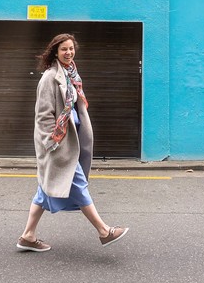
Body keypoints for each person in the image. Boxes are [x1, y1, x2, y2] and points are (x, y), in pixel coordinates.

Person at [17, 33, 129, 252]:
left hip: (73, 139)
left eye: (71, 48)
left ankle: (28, 235)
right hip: (60, 143)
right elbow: (43, 116)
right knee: (77, 182)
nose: (68, 53)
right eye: (63, 49)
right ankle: (104, 231)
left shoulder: (72, 74)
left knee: (44, 190)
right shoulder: (50, 77)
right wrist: (52, 143)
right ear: (55, 52)